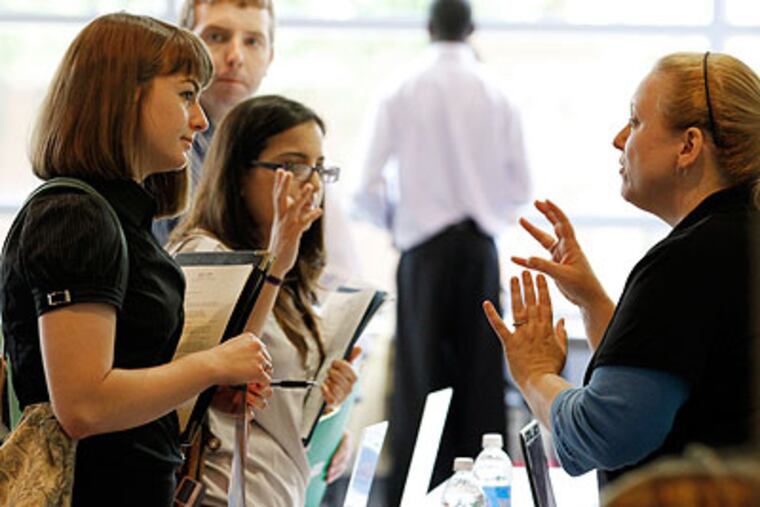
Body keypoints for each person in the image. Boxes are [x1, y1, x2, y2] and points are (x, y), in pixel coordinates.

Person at [0, 13, 273, 506]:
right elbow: (84, 405)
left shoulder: (116, 219)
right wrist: (210, 366)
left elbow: (125, 380)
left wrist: (198, 392)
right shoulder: (73, 216)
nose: (202, 119)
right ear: (126, 95)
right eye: (186, 93)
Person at [483, 51, 760, 489]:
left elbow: (605, 432)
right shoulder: (737, 236)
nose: (618, 139)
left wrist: (535, 374)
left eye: (635, 122)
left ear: (688, 146)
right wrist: (592, 301)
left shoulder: (690, 260)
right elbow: (664, 385)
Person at [352, 0, 531, 499]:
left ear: (428, 27)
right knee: (481, 377)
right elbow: (521, 189)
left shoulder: (402, 87)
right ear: (471, 29)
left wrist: (401, 227)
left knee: (419, 377)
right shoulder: (499, 92)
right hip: (479, 248)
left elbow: (364, 186)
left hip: (422, 252)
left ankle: (417, 491)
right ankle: (483, 491)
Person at [168, 95, 359, 506]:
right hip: (221, 491)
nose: (312, 184)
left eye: (320, 168)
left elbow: (274, 405)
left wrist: (327, 412)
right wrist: (276, 261)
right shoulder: (204, 254)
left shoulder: (287, 271)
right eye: (292, 166)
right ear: (238, 174)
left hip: (277, 488)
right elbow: (221, 379)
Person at [152, 0, 275, 245]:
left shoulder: (276, 145)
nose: (235, 57)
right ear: (183, 48)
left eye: (252, 41)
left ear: (269, 58)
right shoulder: (159, 147)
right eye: (217, 37)